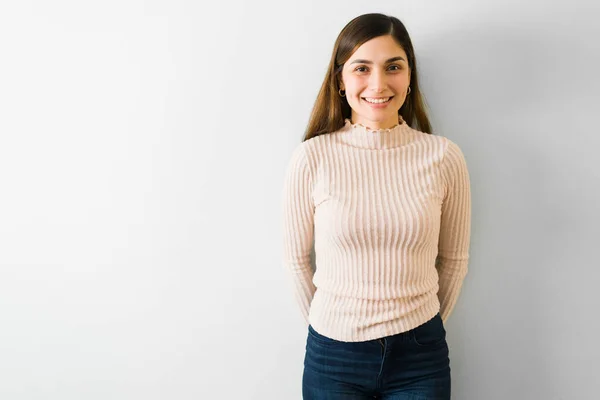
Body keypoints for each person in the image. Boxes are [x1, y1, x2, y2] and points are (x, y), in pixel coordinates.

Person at [281, 13, 471, 400]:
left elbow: (453, 260)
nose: (378, 84)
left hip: (420, 357)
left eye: (393, 67)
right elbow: (297, 259)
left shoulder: (443, 157)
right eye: (361, 68)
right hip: (334, 357)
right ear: (340, 80)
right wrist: (333, 326)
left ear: (410, 75)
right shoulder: (312, 158)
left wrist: (416, 327)